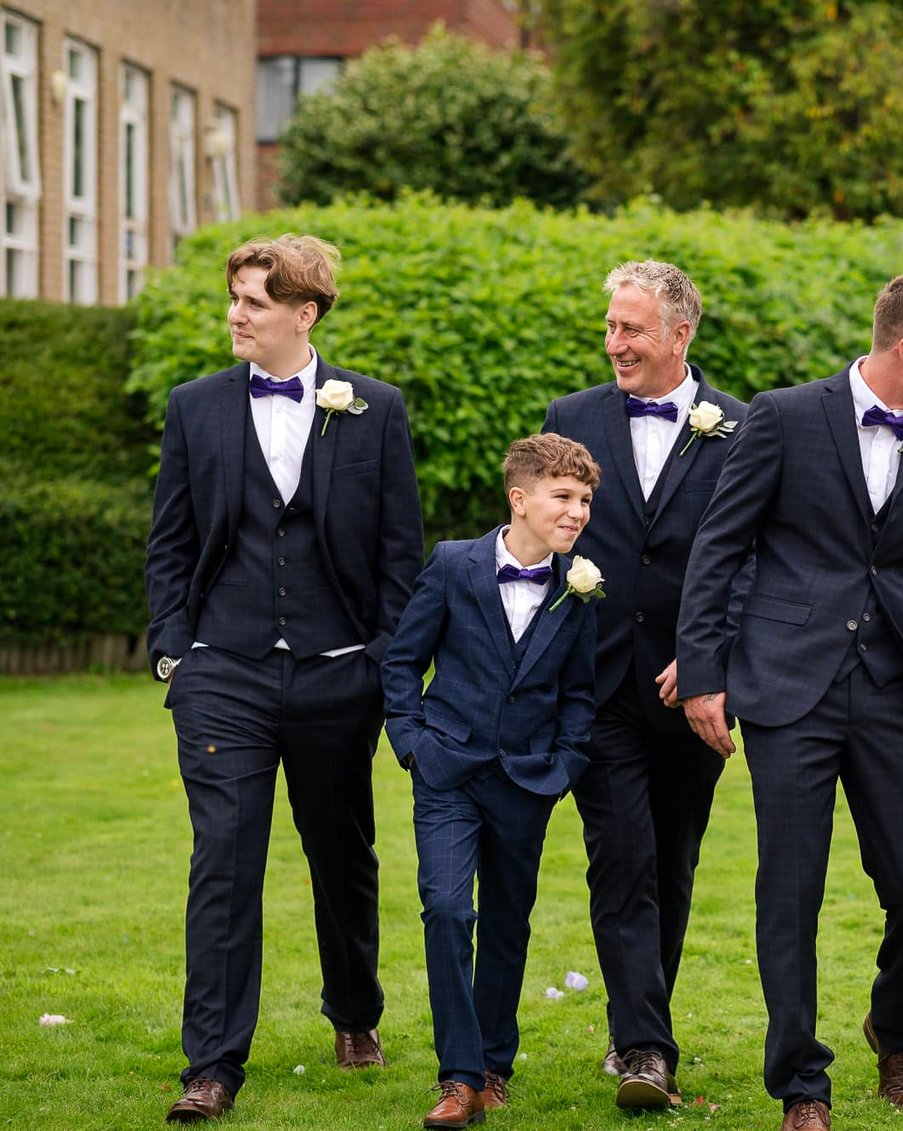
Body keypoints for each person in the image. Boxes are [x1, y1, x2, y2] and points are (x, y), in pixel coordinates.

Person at [675, 271, 903, 1131]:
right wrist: (704, 672)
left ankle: (895, 1026)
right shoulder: (784, 415)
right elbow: (721, 543)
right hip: (788, 689)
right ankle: (801, 1083)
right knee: (792, 889)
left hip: (890, 693)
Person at [144, 234, 423, 1122]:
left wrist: (384, 662)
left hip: (339, 672)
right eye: (233, 298)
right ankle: (213, 1065)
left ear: (304, 314)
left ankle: (355, 1011)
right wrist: (174, 655)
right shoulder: (195, 407)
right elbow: (172, 542)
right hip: (222, 673)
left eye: (254, 301)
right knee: (223, 862)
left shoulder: (374, 410)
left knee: (342, 855)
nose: (236, 313)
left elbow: (397, 554)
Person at [541, 261, 748, 1109]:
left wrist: (712, 653)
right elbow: (547, 532)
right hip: (596, 682)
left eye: (632, 329)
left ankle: (642, 1029)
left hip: (691, 692)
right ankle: (643, 1048)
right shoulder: (572, 419)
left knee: (673, 858)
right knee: (620, 856)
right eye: (611, 327)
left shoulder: (741, 426)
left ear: (680, 334)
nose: (615, 342)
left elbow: (757, 557)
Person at [382, 434, 601, 1129]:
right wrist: (412, 744)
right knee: (448, 909)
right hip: (446, 768)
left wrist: (565, 765)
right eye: (563, 497)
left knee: (508, 922)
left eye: (585, 500)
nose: (577, 511)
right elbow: (401, 661)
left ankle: (494, 1067)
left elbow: (581, 693)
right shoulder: (453, 564)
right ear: (521, 498)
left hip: (528, 779)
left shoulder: (581, 587)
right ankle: (457, 1077)